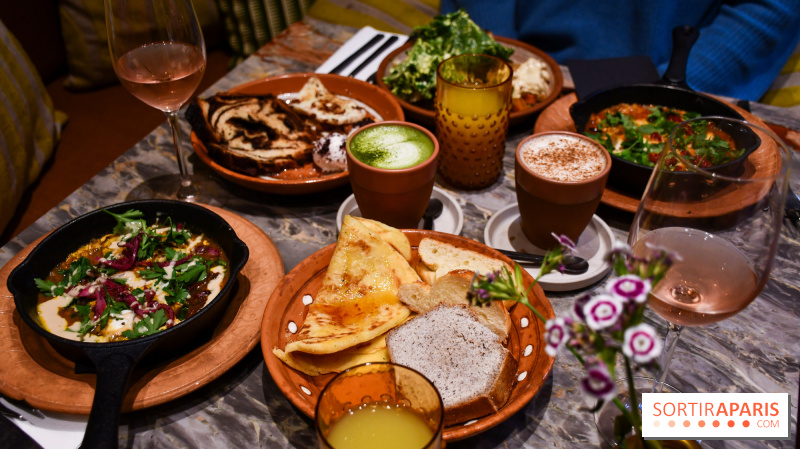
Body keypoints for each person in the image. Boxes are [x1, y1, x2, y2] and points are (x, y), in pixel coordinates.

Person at [440, 0, 800, 101]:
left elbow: (769, 9)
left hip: (659, 91)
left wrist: (671, 83)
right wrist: (497, 53)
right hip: (507, 82)